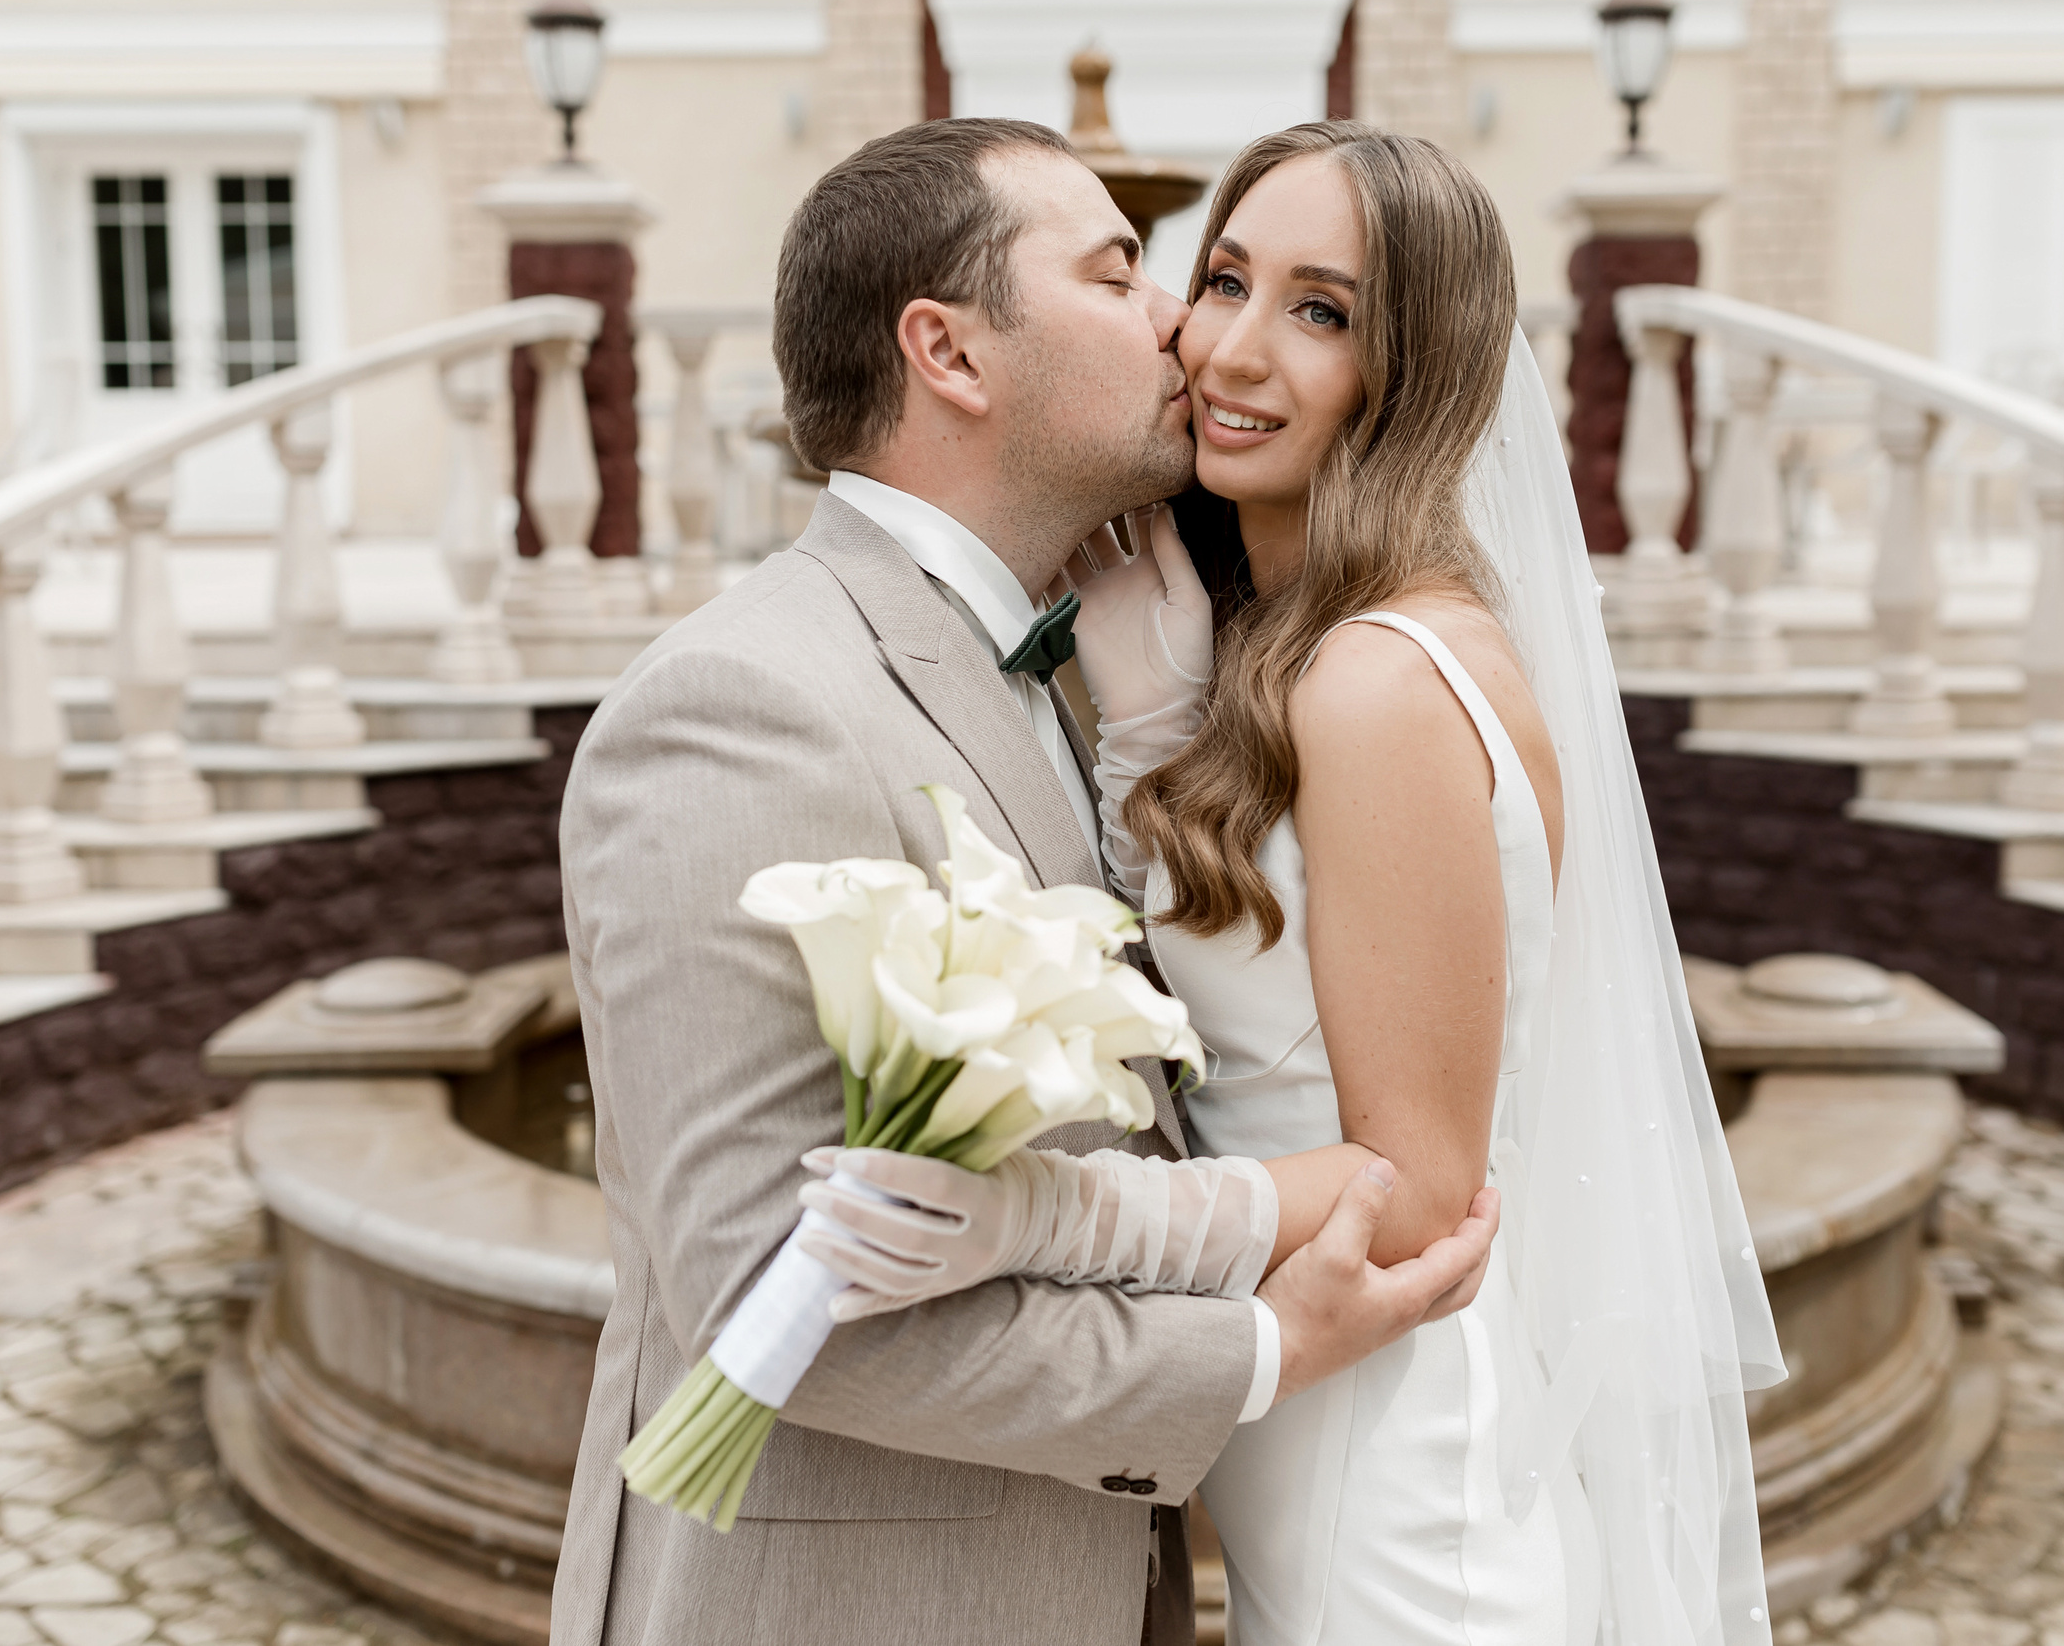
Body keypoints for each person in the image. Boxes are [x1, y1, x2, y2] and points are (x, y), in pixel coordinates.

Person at [804, 122, 1786, 1645]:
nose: (1235, 352)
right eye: (1225, 280)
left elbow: (1421, 1193)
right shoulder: (1296, 650)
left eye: (1322, 313)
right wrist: (1154, 718)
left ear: (1413, 376)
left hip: (1395, 1496)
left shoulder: (1378, 682)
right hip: (1313, 1463)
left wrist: (1031, 1223)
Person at [548, 116, 1502, 1646]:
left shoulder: (1094, 660)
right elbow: (762, 1302)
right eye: (1125, 273)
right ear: (952, 354)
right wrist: (1254, 1354)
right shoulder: (743, 706)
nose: (1183, 326)